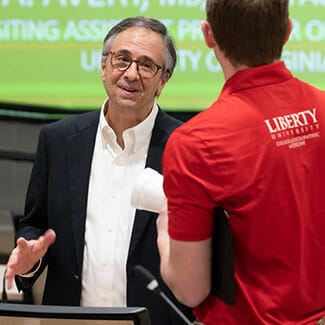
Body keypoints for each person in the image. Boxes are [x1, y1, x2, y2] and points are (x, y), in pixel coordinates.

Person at [5, 16, 194, 325]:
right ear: (104, 67)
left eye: (147, 65)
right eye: (122, 59)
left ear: (163, 81)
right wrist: (29, 261)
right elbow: (34, 226)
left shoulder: (188, 147)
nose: (131, 74)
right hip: (70, 321)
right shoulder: (57, 140)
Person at [156, 0, 325, 324]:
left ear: (208, 35)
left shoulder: (196, 142)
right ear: (288, 31)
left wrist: (164, 230)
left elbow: (190, 290)